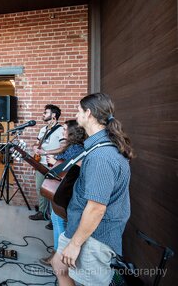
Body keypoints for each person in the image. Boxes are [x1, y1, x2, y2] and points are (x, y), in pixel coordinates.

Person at [51, 93, 134, 286]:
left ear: (89, 113)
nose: (76, 114)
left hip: (94, 236)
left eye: (79, 110)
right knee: (59, 264)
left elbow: (97, 208)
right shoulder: (96, 147)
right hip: (78, 224)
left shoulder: (102, 156)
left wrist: (75, 244)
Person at [40, 120, 86, 266]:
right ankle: (58, 252)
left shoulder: (76, 148)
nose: (62, 131)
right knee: (57, 218)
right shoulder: (73, 147)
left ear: (72, 132)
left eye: (64, 129)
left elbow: (71, 169)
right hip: (65, 190)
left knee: (59, 220)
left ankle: (58, 255)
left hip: (69, 192)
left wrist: (55, 162)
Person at [30, 104, 65, 221]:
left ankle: (54, 218)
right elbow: (37, 143)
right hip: (40, 163)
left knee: (52, 190)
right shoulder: (43, 129)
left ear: (53, 115)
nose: (43, 114)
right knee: (40, 188)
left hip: (53, 164)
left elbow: (63, 148)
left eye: (46, 112)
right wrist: (35, 148)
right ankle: (42, 212)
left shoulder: (61, 130)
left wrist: (45, 152)